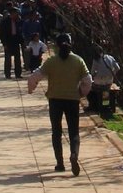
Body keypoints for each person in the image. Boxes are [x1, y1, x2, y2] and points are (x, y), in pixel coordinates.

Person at [27, 33, 92, 175]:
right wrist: (82, 93)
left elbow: (35, 76)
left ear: (56, 45)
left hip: (55, 100)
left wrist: (31, 89)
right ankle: (74, 154)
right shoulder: (78, 61)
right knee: (73, 131)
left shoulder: (51, 61)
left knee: (56, 132)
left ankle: (60, 163)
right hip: (72, 100)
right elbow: (88, 80)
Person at [86, 48, 119, 115]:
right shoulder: (111, 57)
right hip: (109, 82)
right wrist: (112, 74)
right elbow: (118, 68)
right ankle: (108, 106)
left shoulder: (96, 59)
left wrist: (95, 74)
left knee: (89, 88)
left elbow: (92, 72)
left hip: (99, 83)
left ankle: (92, 106)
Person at [1, 6, 23, 78]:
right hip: (8, 41)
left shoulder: (18, 21)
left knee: (17, 58)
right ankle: (7, 74)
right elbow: (2, 33)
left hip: (16, 40)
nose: (17, 15)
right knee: (8, 59)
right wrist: (4, 43)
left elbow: (20, 32)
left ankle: (18, 73)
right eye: (16, 13)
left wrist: (22, 42)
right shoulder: (5, 21)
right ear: (12, 13)